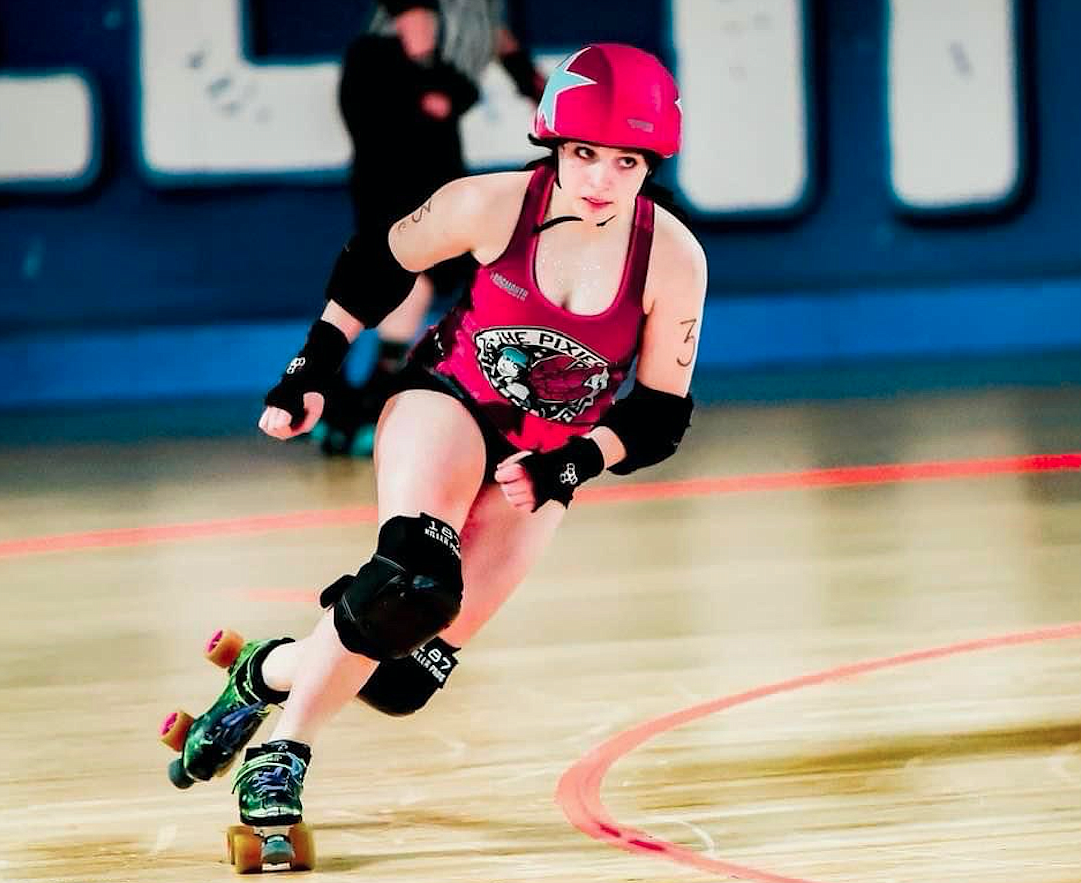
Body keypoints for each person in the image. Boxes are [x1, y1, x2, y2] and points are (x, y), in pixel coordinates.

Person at [164, 44, 706, 867]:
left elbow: (660, 414)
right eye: (582, 153)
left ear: (649, 164)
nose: (598, 178)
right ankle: (282, 756)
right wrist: (310, 370)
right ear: (553, 145)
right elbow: (375, 262)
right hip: (446, 403)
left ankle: (267, 671)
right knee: (413, 577)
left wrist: (572, 465)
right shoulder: (488, 205)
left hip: (544, 459)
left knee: (400, 675)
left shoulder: (671, 257)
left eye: (624, 161)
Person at [315, 0, 546, 457]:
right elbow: (413, 9)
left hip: (411, 93)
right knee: (409, 245)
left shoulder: (481, 13)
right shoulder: (420, 58)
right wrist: (427, 75)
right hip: (399, 85)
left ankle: (343, 395)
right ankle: (356, 397)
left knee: (421, 248)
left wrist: (531, 82)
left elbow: (490, 33)